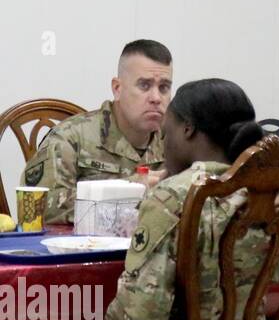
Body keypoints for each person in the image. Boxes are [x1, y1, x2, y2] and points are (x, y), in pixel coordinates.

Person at [4, 79, 279, 320]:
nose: (164, 142)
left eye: (167, 132)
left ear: (188, 130)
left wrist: (100, 317)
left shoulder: (175, 195)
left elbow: (138, 317)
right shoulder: (275, 195)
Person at [23, 39, 172, 225]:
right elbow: (40, 207)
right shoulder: (70, 137)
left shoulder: (176, 140)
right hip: (86, 251)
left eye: (164, 87)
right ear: (117, 89)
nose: (156, 98)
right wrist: (127, 191)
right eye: (144, 85)